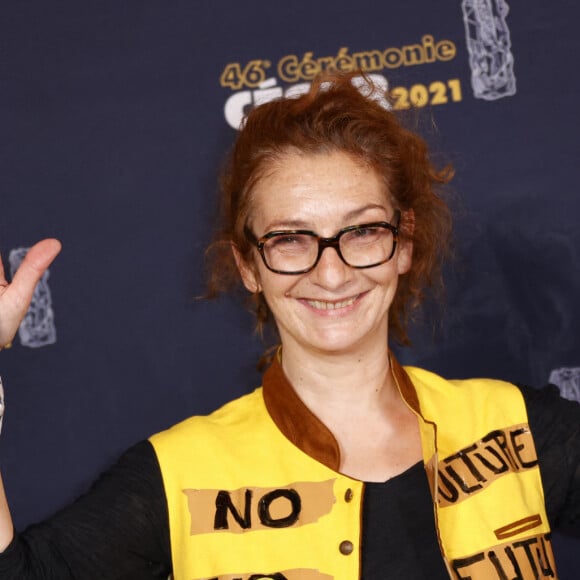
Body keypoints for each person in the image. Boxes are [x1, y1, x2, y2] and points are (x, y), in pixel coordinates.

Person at [0, 72, 578, 580]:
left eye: (361, 232)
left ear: (404, 244)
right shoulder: (178, 473)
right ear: (249, 265)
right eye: (290, 239)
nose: (331, 273)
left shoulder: (515, 427)